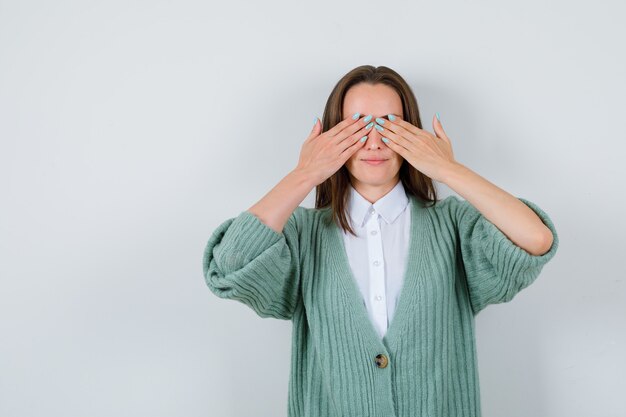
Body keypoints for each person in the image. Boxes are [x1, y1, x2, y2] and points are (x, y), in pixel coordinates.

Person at [202, 65, 559, 417]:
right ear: (332, 136)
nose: (374, 142)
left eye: (390, 125)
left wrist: (447, 169)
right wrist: (306, 173)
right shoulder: (302, 234)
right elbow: (229, 264)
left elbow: (536, 238)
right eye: (357, 126)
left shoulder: (452, 225)